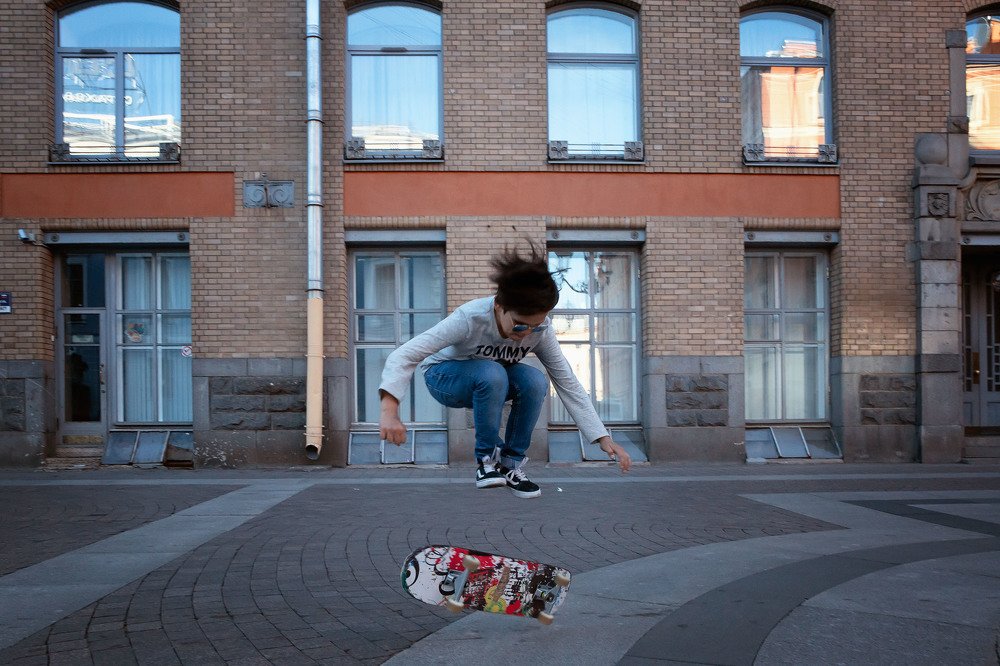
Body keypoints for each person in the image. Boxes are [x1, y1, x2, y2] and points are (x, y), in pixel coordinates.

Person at [378, 245, 632, 498]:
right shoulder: (470, 318)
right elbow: (404, 355)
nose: (526, 334)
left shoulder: (541, 330)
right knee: (492, 372)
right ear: (499, 306)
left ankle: (510, 465)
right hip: (443, 378)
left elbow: (566, 380)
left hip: (490, 382)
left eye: (535, 326)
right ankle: (486, 461)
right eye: (520, 326)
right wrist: (389, 412)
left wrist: (602, 437)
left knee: (534, 379)